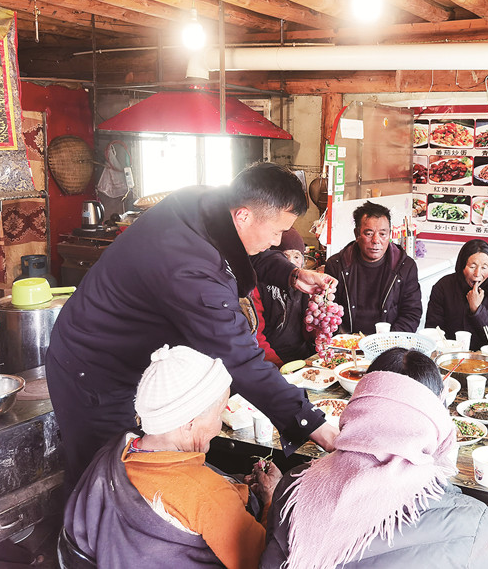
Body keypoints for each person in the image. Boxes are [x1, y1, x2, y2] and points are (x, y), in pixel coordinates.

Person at [46, 163, 338, 490]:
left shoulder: (207, 205)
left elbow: (245, 251)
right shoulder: (191, 269)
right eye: (276, 232)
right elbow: (241, 358)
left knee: (137, 466)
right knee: (106, 474)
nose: (277, 241)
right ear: (243, 216)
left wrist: (291, 274)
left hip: (126, 352)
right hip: (93, 367)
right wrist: (314, 425)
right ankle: (88, 521)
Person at [262, 348, 488, 569]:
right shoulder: (473, 524)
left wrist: (270, 500)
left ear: (358, 405)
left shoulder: (293, 487)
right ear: (439, 419)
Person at [64, 345, 282, 568]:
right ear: (189, 424)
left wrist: (232, 485)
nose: (219, 427)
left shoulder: (113, 451)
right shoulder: (209, 496)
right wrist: (272, 500)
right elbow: (266, 562)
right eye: (219, 414)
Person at [324, 201, 422, 335]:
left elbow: (411, 313)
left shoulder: (405, 266)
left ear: (390, 234)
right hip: (347, 341)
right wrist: (344, 340)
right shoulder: (337, 265)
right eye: (369, 233)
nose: (376, 240)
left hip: (389, 341)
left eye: (383, 234)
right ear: (357, 234)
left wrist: (388, 341)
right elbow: (328, 313)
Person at [425, 239, 488, 350]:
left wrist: (478, 310)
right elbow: (433, 331)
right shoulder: (443, 287)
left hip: (487, 357)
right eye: (472, 267)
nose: (477, 273)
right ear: (462, 266)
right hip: (449, 354)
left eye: (484, 267)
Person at [252, 228, 313, 366]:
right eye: (284, 257)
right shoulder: (258, 287)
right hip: (271, 361)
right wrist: (278, 367)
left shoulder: (304, 286)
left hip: (302, 357)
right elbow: (256, 336)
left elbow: (308, 330)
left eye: (296, 256)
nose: (291, 263)